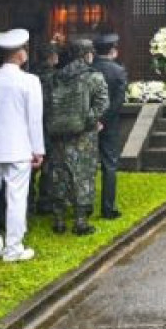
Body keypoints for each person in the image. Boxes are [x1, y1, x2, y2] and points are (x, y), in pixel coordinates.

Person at [0, 29, 43, 262]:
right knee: (17, 198)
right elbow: (34, 118)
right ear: (19, 54)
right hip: (19, 147)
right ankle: (13, 247)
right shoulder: (30, 81)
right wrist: (38, 149)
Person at [46, 39, 109, 236]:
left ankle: (58, 219)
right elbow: (102, 104)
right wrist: (88, 121)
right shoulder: (94, 77)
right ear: (87, 54)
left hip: (58, 133)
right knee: (83, 175)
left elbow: (48, 105)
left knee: (59, 174)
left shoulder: (57, 76)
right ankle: (80, 221)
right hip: (83, 136)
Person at [91, 34, 127, 220]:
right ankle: (108, 208)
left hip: (88, 123)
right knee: (109, 165)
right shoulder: (118, 71)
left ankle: (84, 207)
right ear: (113, 50)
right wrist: (104, 120)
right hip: (110, 124)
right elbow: (118, 101)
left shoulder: (89, 69)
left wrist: (94, 119)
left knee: (86, 166)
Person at [31, 41, 60, 215]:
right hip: (49, 124)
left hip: (32, 124)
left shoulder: (30, 74)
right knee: (49, 165)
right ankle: (45, 201)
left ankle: (29, 201)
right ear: (50, 56)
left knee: (29, 168)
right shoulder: (55, 77)